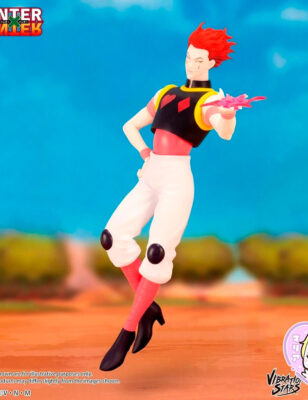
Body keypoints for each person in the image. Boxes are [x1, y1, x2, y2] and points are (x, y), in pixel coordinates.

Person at [99, 22, 238, 371]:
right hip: (152, 173)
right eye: (190, 56)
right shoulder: (165, 93)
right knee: (112, 236)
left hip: (177, 180)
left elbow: (224, 132)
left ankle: (127, 331)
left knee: (157, 253)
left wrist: (227, 114)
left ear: (212, 64)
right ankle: (147, 308)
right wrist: (145, 153)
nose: (192, 64)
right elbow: (129, 125)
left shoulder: (211, 101)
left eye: (200, 59)